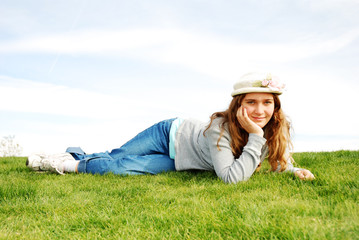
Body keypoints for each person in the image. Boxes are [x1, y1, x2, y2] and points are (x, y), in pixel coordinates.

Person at [26, 72, 315, 183]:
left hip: (180, 160)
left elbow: (268, 161)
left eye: (267, 103)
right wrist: (254, 136)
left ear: (276, 107)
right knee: (116, 154)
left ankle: (65, 165)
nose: (260, 110)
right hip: (170, 132)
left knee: (119, 168)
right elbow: (230, 177)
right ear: (239, 104)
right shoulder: (221, 127)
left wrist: (291, 168)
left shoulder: (273, 128)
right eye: (251, 102)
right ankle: (66, 157)